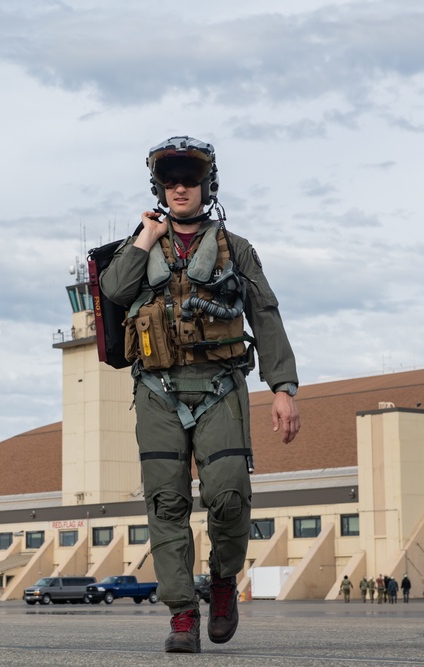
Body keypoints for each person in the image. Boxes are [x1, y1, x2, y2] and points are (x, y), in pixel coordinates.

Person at [100, 136, 301, 653]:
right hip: (156, 390)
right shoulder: (139, 247)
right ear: (159, 188)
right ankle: (182, 614)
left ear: (206, 185)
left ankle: (222, 581)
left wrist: (283, 388)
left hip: (220, 387)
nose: (181, 188)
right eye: (171, 181)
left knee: (229, 496)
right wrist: (146, 236)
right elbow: (114, 291)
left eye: (190, 179)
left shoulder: (238, 249)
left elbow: (266, 315)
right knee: (166, 502)